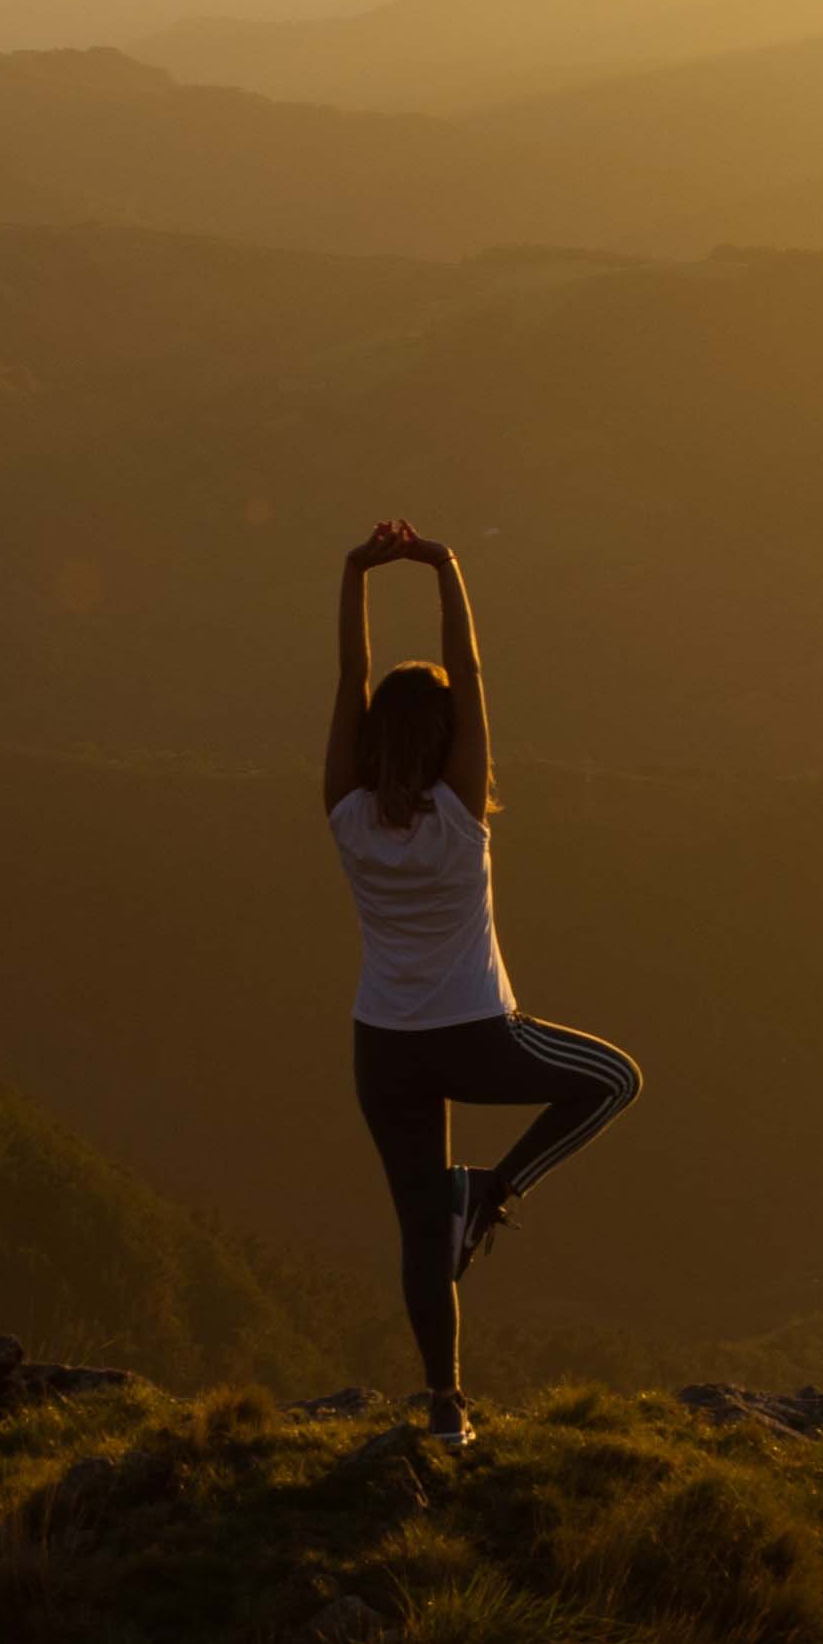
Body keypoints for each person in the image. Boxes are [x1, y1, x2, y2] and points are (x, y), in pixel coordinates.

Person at [326, 520, 641, 1445]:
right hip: (474, 1033)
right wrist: (444, 567)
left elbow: (351, 682)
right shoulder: (461, 815)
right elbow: (472, 675)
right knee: (614, 1080)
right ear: (449, 737)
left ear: (376, 733)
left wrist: (355, 575)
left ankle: (444, 1408)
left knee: (422, 1232)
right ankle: (495, 1192)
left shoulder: (344, 814)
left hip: (381, 1048)